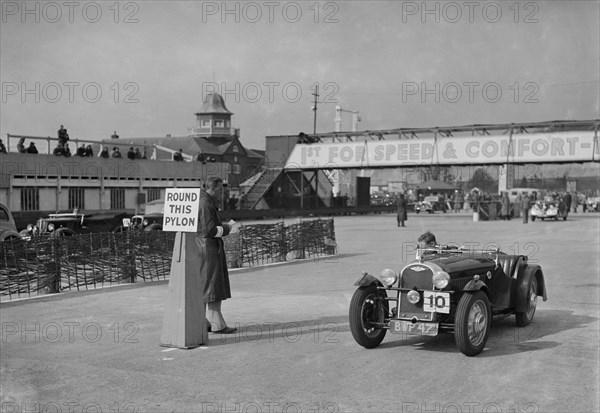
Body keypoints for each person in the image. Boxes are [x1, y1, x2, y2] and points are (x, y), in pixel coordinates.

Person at [197, 176, 236, 334]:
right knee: (213, 284)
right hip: (209, 248)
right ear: (211, 189)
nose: (221, 194)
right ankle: (216, 323)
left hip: (202, 247)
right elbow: (209, 230)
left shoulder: (202, 201)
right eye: (220, 190)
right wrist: (226, 229)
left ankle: (202, 321)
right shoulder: (206, 204)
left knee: (205, 284)